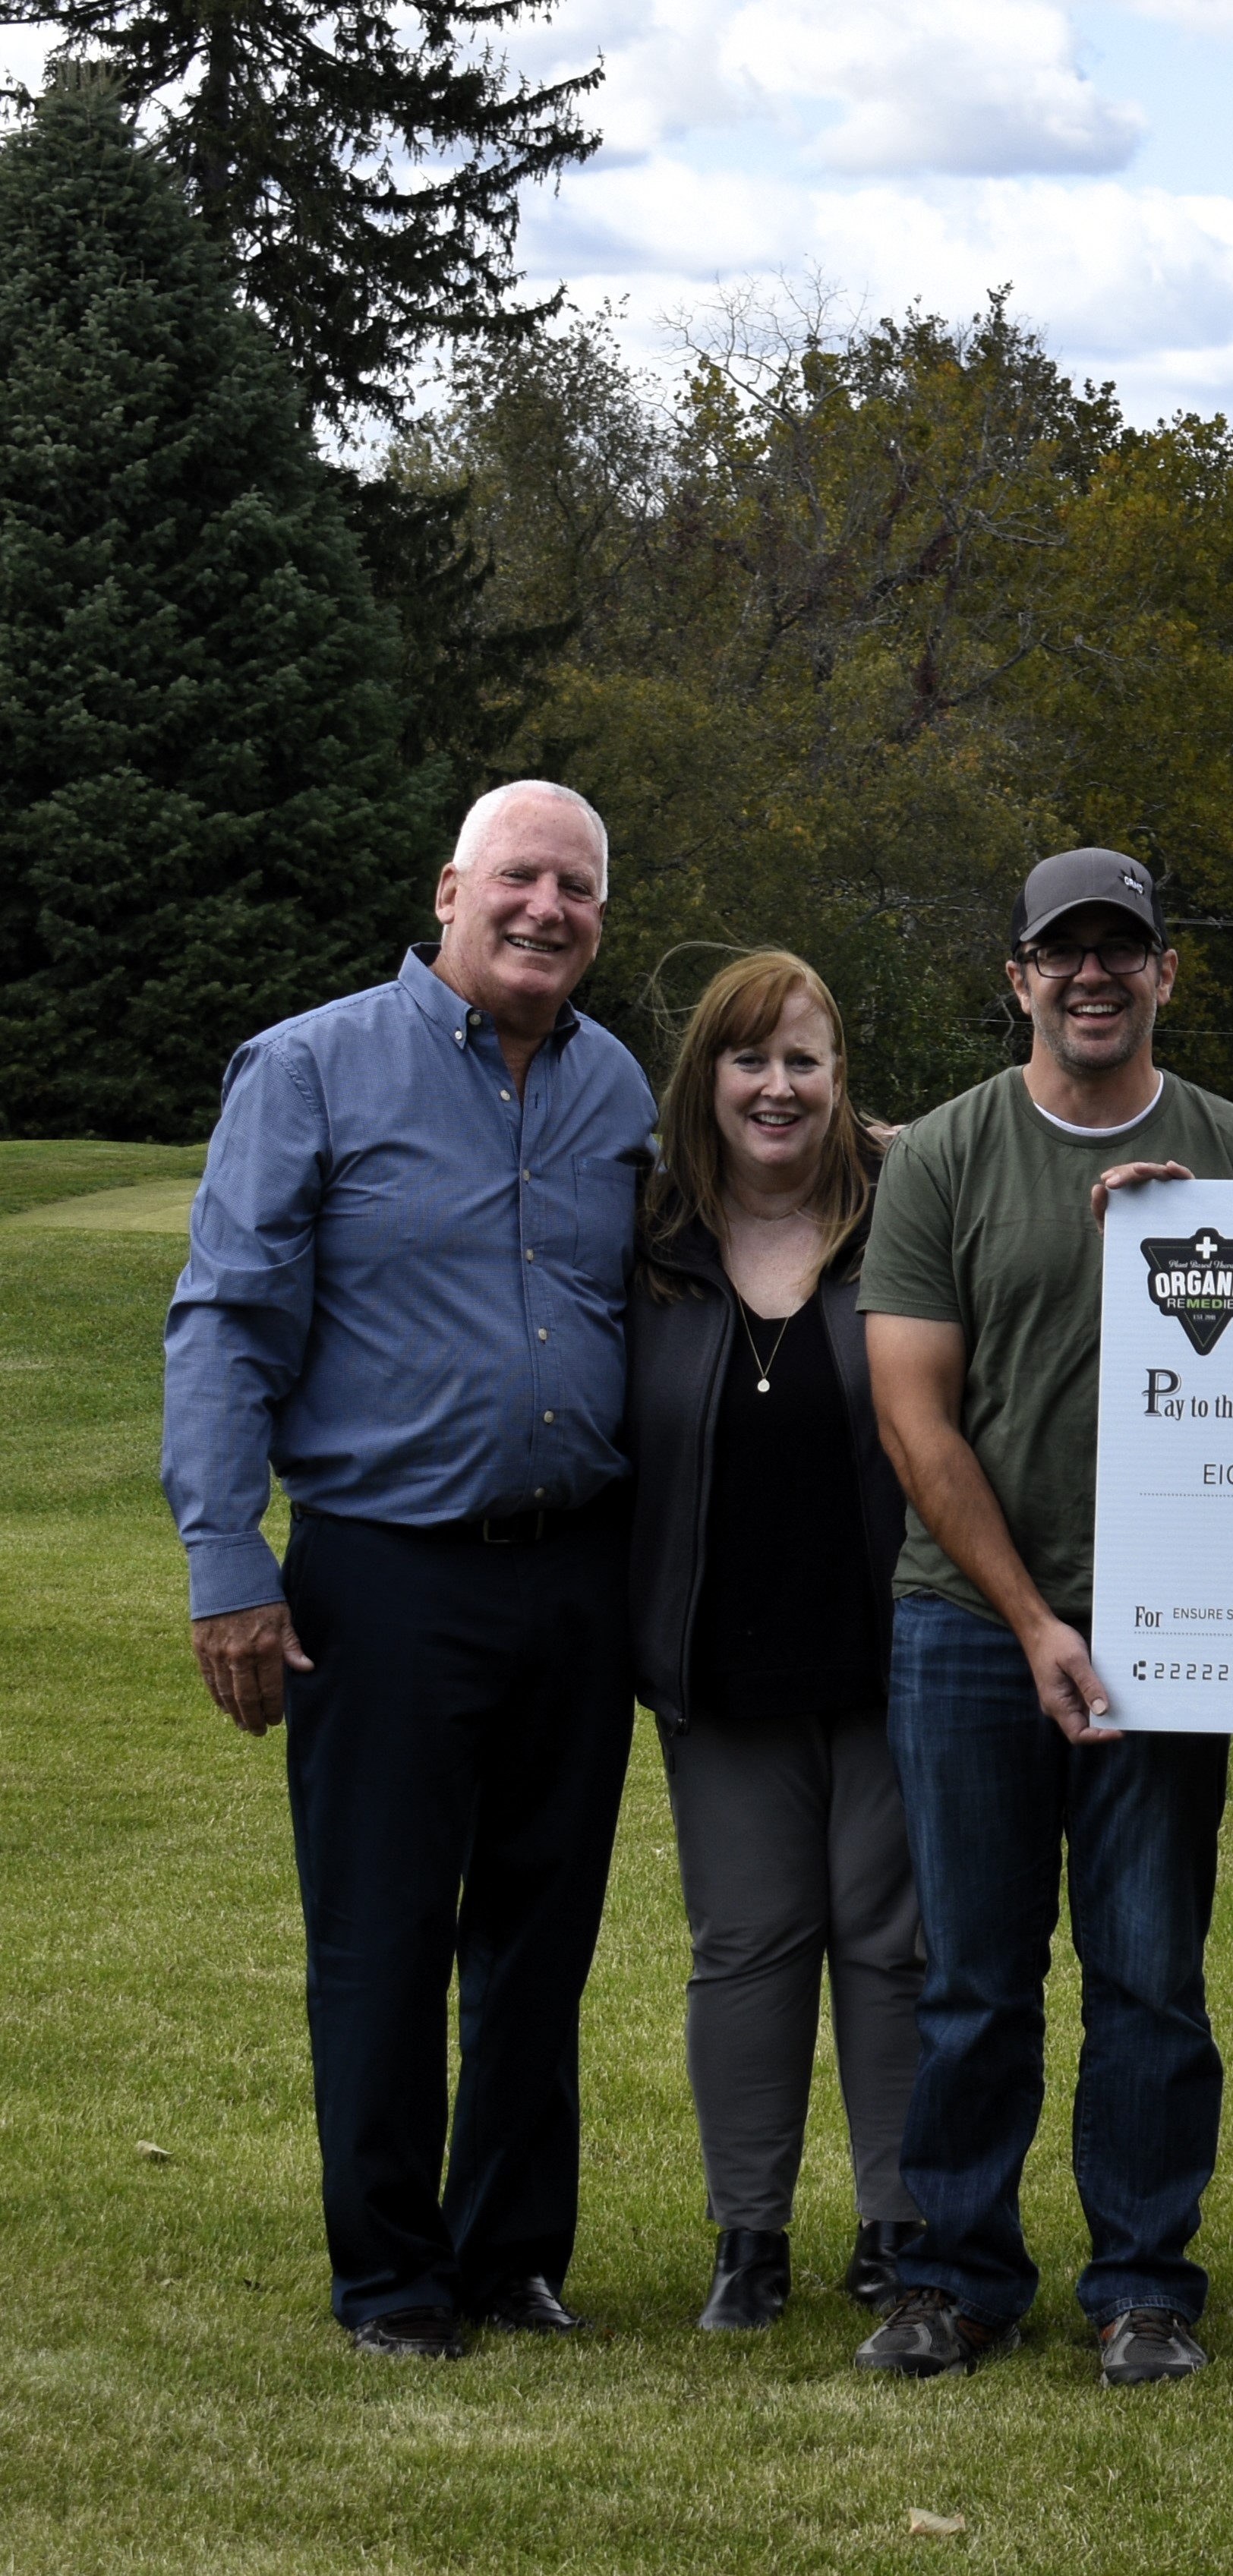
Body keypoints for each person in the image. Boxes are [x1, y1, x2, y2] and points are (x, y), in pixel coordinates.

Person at [163, 780, 649, 2359]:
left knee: (540, 1936)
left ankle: (511, 2254)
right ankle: (389, 2274)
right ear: (450, 887)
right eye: (521, 875)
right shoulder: (309, 1066)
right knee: (380, 1933)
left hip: (576, 1574)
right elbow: (227, 1318)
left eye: (577, 887)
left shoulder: (618, 1086)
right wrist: (227, 1553)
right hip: (382, 1575)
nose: (547, 908)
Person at [851, 847, 1233, 2384]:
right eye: (1065, 951)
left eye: (1125, 948)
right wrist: (1036, 1616)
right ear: (1019, 975)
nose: (1093, 974)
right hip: (968, 1624)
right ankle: (956, 2274)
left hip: (1168, 1621)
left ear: (1169, 972)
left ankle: (1143, 2281)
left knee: (1148, 1969)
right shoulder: (949, 1154)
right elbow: (916, 1418)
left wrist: (1199, 1254)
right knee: (975, 1970)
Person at [626, 950, 924, 2335]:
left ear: (841, 1080)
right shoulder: (645, 1236)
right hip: (720, 1660)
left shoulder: (909, 1213)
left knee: (888, 1941)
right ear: (710, 1077)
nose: (779, 1085)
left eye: (806, 1059)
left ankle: (895, 2220)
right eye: (751, 1059)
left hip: (891, 1650)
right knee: (745, 1943)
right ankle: (748, 2237)